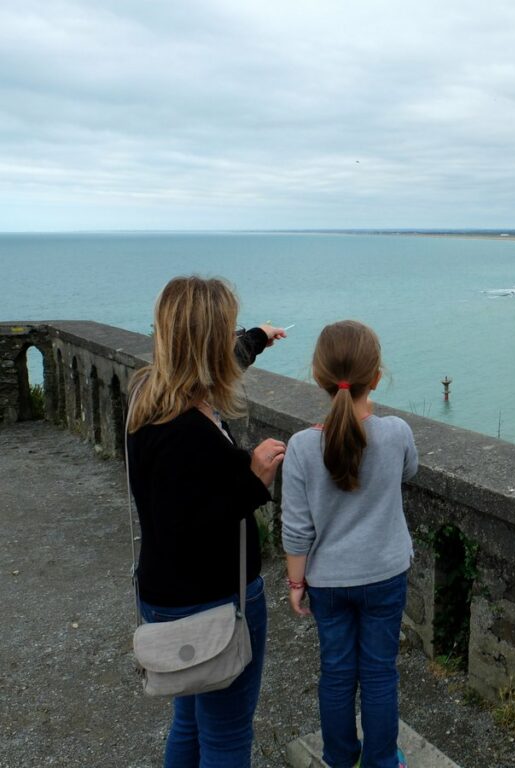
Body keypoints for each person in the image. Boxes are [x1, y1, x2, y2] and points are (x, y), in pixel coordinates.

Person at [127, 276, 287, 767]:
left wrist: (258, 337)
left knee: (189, 723)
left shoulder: (150, 396)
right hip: (212, 605)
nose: (232, 339)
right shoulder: (184, 433)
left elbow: (224, 361)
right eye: (228, 330)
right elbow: (190, 528)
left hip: (163, 597)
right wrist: (255, 481)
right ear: (204, 343)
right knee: (226, 736)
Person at [282, 320, 418, 768]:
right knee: (380, 674)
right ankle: (382, 761)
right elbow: (408, 473)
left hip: (329, 581)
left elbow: (297, 529)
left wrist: (296, 583)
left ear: (319, 377)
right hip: (385, 573)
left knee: (337, 675)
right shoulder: (395, 432)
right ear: (376, 377)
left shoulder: (302, 447)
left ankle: (340, 759)